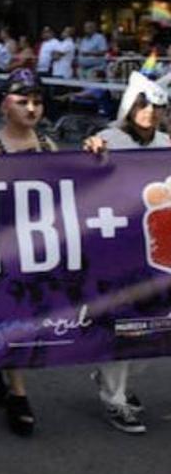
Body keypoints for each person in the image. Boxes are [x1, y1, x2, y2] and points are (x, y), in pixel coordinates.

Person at [81, 71, 171, 435]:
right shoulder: (109, 139)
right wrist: (90, 153)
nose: (150, 112)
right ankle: (114, 397)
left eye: (158, 106)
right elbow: (83, 180)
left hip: (158, 251)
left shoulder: (166, 142)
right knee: (126, 325)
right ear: (130, 106)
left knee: (157, 327)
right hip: (119, 248)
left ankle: (110, 376)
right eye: (144, 104)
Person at [0, 69, 55, 436]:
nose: (31, 108)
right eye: (23, 102)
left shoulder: (48, 147)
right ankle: (18, 395)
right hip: (0, 251)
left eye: (37, 102)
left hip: (38, 249)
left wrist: (95, 155)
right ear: (6, 105)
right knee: (11, 319)